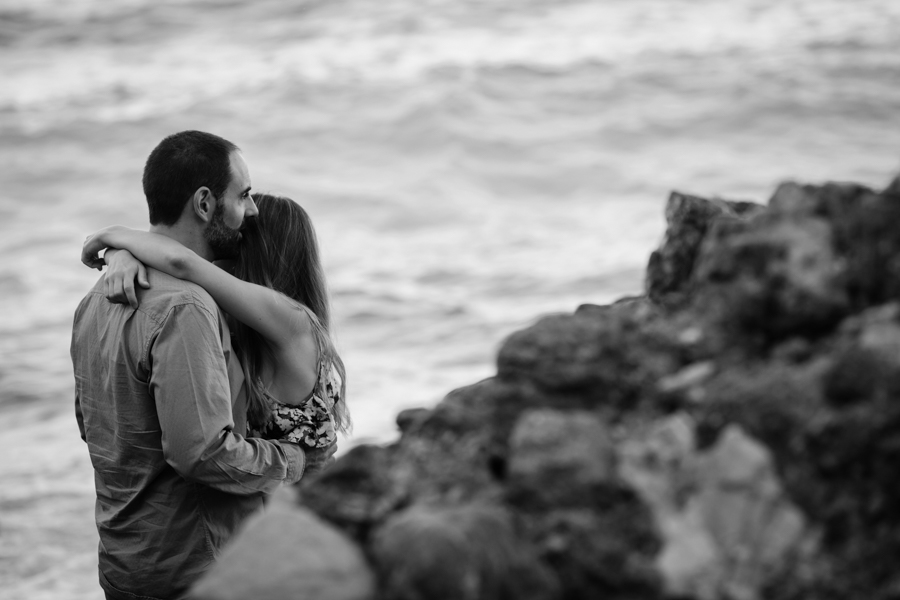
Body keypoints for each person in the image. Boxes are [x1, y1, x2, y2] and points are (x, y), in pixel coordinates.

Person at [71, 130, 336, 600]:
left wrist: (121, 249)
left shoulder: (94, 303)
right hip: (193, 565)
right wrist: (296, 459)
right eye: (244, 195)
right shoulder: (188, 308)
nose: (249, 211)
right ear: (205, 203)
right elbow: (203, 453)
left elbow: (89, 422)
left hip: (123, 560)